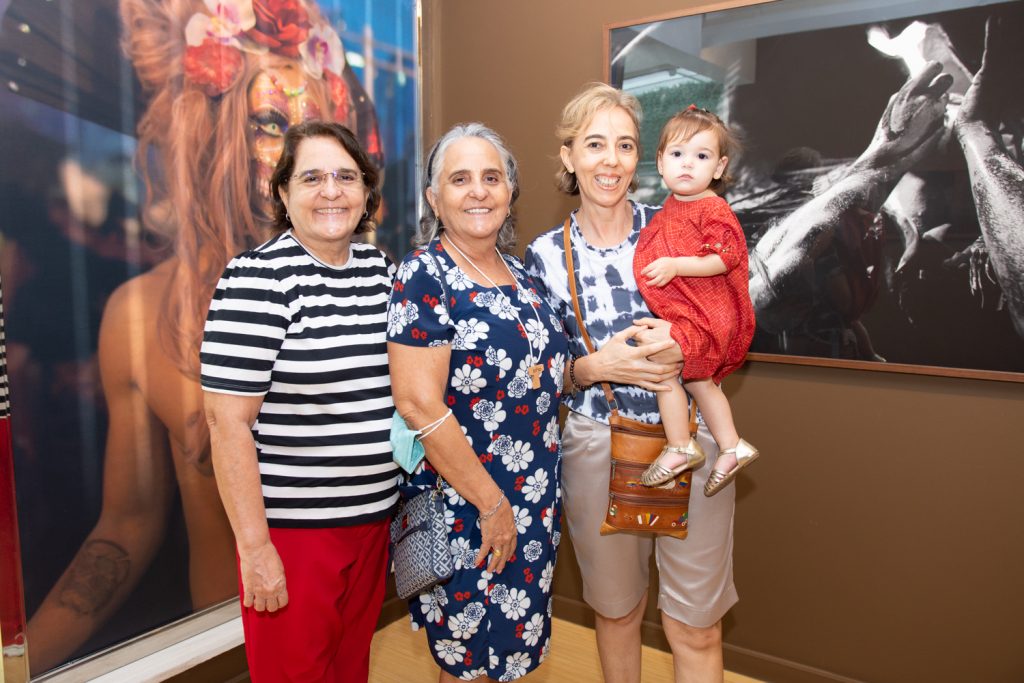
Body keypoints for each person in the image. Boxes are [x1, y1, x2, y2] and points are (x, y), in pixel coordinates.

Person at [25, 0, 383, 672]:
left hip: (359, 553)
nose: (318, 176)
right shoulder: (144, 314)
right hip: (252, 610)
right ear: (212, 132)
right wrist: (26, 658)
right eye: (272, 125)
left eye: (336, 164)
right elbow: (127, 526)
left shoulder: (376, 275)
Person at [525, 83, 736, 683]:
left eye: (624, 145)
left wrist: (692, 346)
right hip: (597, 442)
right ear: (569, 156)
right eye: (594, 144)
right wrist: (597, 367)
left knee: (696, 624)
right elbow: (542, 376)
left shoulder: (681, 232)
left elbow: (730, 322)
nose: (610, 161)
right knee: (616, 613)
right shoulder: (542, 257)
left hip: (692, 441)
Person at [201, 120, 397, 682]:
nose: (331, 191)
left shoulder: (382, 272)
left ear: (366, 192)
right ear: (284, 194)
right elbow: (227, 423)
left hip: (371, 522)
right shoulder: (256, 279)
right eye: (311, 177)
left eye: (345, 176)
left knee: (347, 670)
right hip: (294, 535)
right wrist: (255, 549)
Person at [388, 123, 568, 682]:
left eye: (492, 177)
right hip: (466, 502)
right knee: (469, 660)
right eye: (460, 178)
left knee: (508, 655)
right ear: (433, 197)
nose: (478, 191)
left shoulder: (523, 274)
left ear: (510, 191)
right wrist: (492, 506)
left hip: (534, 497)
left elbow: (543, 373)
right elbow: (417, 404)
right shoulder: (425, 277)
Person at [632, 106, 757, 496]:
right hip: (692, 315)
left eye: (701, 156)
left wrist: (674, 265)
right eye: (677, 154)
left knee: (669, 369)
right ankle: (727, 445)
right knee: (695, 380)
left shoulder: (712, 207)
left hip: (710, 316)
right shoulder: (672, 207)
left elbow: (726, 255)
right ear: (660, 161)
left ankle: (683, 446)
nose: (688, 165)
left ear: (718, 168)